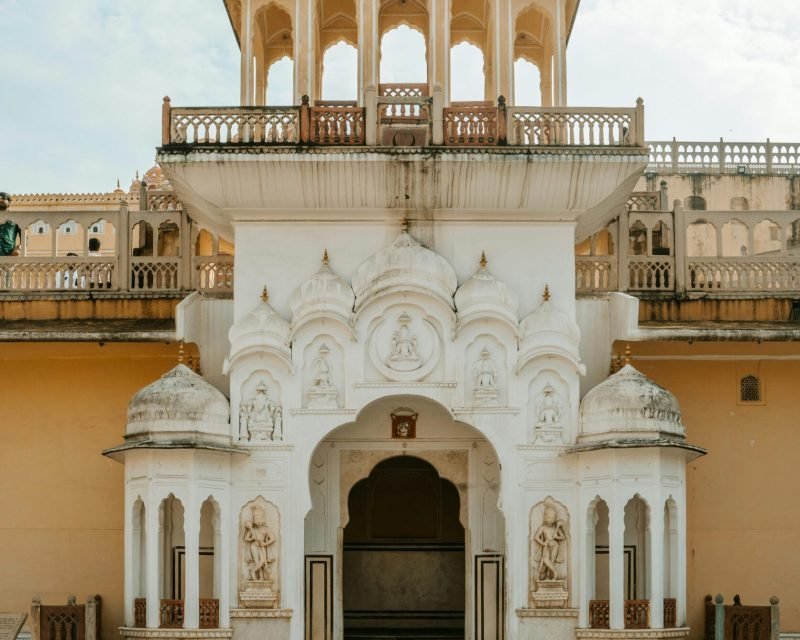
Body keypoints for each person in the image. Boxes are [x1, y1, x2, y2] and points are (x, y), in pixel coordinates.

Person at [0, 193, 21, 257]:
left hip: (9, 253)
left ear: (9, 202)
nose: (0, 200)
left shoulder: (15, 217)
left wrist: (19, 248)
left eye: (3, 198)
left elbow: (24, 236)